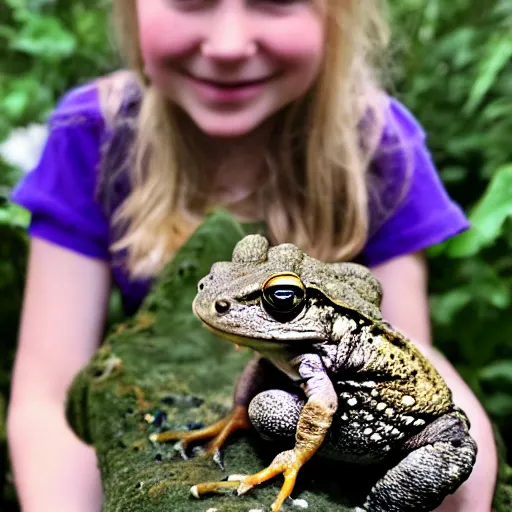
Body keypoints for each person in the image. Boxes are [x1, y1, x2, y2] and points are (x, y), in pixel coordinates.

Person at [7, 1, 496, 511]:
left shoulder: (382, 143)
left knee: (278, 412)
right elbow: (45, 396)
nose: (228, 45)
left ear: (340, 13)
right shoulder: (92, 131)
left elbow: (408, 344)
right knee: (266, 410)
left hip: (378, 419)